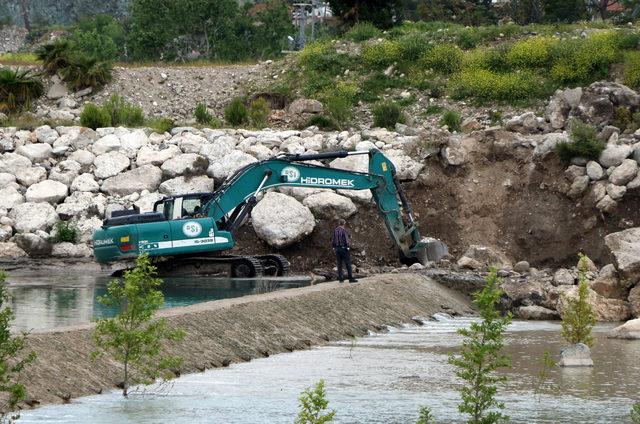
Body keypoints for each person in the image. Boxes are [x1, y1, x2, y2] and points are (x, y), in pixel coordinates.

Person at [331, 219, 358, 283]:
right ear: (344, 223)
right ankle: (350, 279)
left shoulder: (335, 230)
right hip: (344, 249)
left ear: (339, 223)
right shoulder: (343, 230)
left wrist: (334, 247)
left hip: (337, 249)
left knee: (339, 264)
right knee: (347, 263)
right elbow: (346, 240)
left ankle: (341, 279)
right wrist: (348, 247)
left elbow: (333, 240)